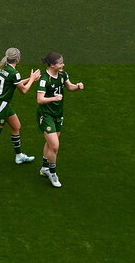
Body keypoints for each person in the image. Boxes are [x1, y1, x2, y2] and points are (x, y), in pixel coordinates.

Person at [0, 48, 41, 173]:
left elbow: (16, 83)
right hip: (1, 106)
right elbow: (23, 90)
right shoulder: (14, 73)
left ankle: (19, 156)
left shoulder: (4, 68)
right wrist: (33, 79)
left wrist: (30, 79)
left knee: (16, 126)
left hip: (2, 104)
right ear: (17, 59)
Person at [36, 52, 85, 188]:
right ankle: (52, 173)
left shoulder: (63, 75)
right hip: (46, 115)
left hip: (58, 115)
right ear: (52, 65)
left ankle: (44, 168)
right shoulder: (45, 79)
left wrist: (78, 87)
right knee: (55, 146)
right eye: (61, 62)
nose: (63, 64)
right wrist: (54, 98)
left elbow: (69, 87)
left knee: (50, 143)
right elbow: (39, 99)